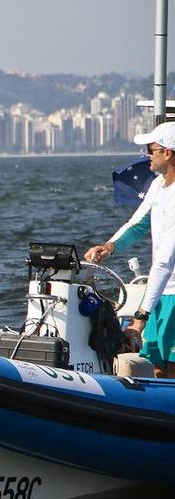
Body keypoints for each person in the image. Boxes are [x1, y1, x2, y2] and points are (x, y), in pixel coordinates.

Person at [84, 121, 175, 378]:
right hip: (161, 294)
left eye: (151, 149)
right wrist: (109, 247)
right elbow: (136, 226)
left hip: (171, 294)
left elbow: (164, 262)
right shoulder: (158, 186)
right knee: (159, 367)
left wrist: (139, 319)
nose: (147, 155)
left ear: (167, 153)